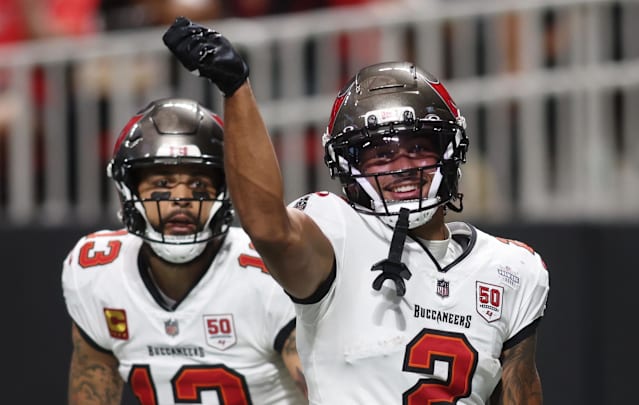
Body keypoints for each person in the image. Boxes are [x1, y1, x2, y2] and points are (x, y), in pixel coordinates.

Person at [163, 17, 550, 404]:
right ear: (349, 167)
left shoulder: (512, 270)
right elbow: (267, 228)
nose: (401, 166)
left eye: (418, 147)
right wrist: (236, 89)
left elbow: (520, 393)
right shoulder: (337, 233)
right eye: (380, 155)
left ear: (451, 150)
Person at [61, 97, 307, 405]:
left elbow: (326, 392)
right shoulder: (99, 271)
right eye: (163, 183)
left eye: (199, 186)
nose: (181, 198)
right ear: (129, 190)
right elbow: (93, 383)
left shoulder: (264, 274)